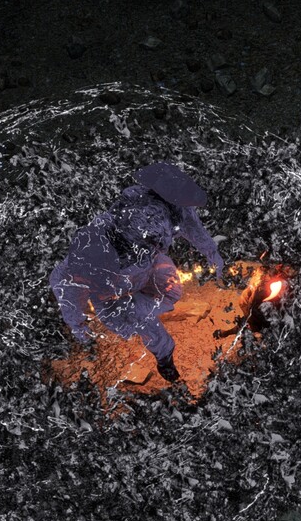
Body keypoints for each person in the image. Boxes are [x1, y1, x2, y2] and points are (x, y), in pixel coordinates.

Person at [49, 162, 225, 385]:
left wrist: (212, 253)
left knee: (164, 294)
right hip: (116, 288)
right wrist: (77, 325)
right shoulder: (89, 254)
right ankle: (165, 359)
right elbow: (65, 283)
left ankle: (160, 348)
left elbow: (190, 225)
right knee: (137, 319)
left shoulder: (164, 213)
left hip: (145, 269)